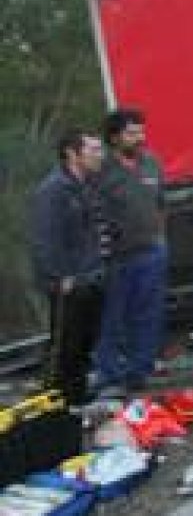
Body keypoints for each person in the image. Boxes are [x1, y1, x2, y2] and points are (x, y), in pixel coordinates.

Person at [93, 108, 168, 397]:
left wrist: (160, 238)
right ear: (114, 138)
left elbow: (161, 204)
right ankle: (109, 376)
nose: (140, 138)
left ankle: (140, 372)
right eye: (132, 133)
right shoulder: (100, 170)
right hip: (115, 257)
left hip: (151, 253)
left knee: (148, 314)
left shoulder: (151, 164)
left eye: (141, 132)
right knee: (111, 317)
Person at [30, 129, 107, 405]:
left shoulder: (85, 186)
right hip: (68, 282)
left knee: (84, 343)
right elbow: (45, 238)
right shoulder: (53, 190)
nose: (100, 156)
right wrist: (59, 276)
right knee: (64, 346)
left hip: (90, 278)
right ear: (72, 154)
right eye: (93, 150)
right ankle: (53, 399)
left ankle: (77, 396)